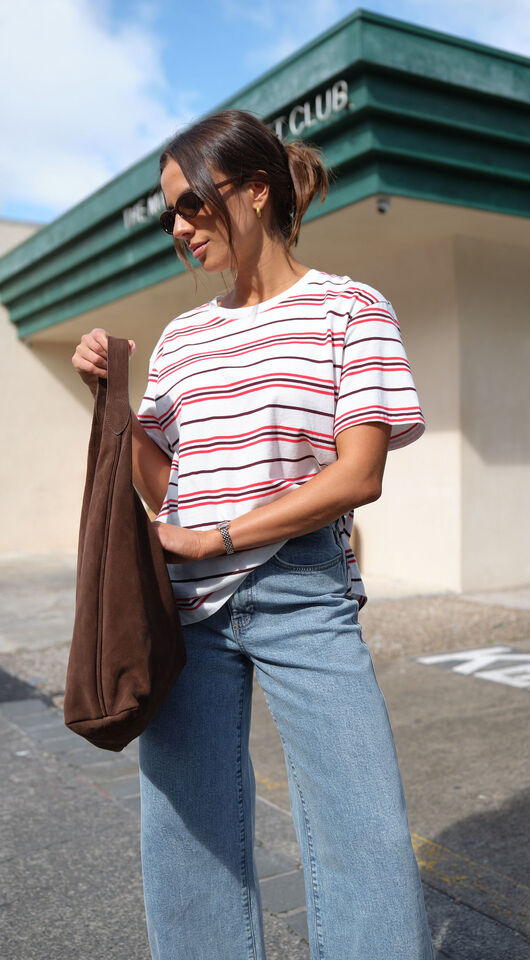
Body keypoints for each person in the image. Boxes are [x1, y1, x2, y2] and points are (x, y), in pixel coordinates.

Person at [72, 109, 434, 960]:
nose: (180, 227)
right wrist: (114, 401)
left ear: (257, 189)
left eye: (193, 204)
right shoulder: (183, 339)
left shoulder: (351, 309)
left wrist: (219, 536)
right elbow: (166, 487)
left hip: (303, 593)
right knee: (186, 835)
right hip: (184, 612)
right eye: (169, 214)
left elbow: (359, 476)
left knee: (364, 831)